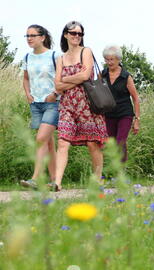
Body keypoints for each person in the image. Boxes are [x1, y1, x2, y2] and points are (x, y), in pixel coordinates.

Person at [53, 21, 108, 191]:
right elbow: (57, 87)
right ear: (65, 35)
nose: (77, 36)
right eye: (73, 33)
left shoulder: (86, 51)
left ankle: (98, 179)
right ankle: (57, 182)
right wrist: (74, 80)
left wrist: (66, 79)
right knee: (62, 142)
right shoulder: (60, 58)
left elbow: (85, 75)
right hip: (67, 105)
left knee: (92, 143)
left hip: (87, 104)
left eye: (80, 34)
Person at [20, 25, 61, 189]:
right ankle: (54, 181)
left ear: (42, 37)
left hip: (53, 103)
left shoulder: (55, 55)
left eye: (33, 35)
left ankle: (35, 178)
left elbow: (62, 78)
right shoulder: (27, 57)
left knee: (40, 139)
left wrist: (55, 93)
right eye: (27, 36)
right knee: (48, 143)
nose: (29, 38)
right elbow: (26, 78)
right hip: (35, 104)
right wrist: (28, 94)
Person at [102, 45, 140, 162]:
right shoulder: (102, 74)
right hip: (109, 114)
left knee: (120, 141)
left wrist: (137, 119)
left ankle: (120, 172)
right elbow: (98, 93)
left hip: (124, 114)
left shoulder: (126, 76)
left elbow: (135, 98)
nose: (109, 62)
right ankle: (113, 172)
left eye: (111, 59)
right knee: (111, 144)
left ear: (118, 59)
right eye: (107, 59)